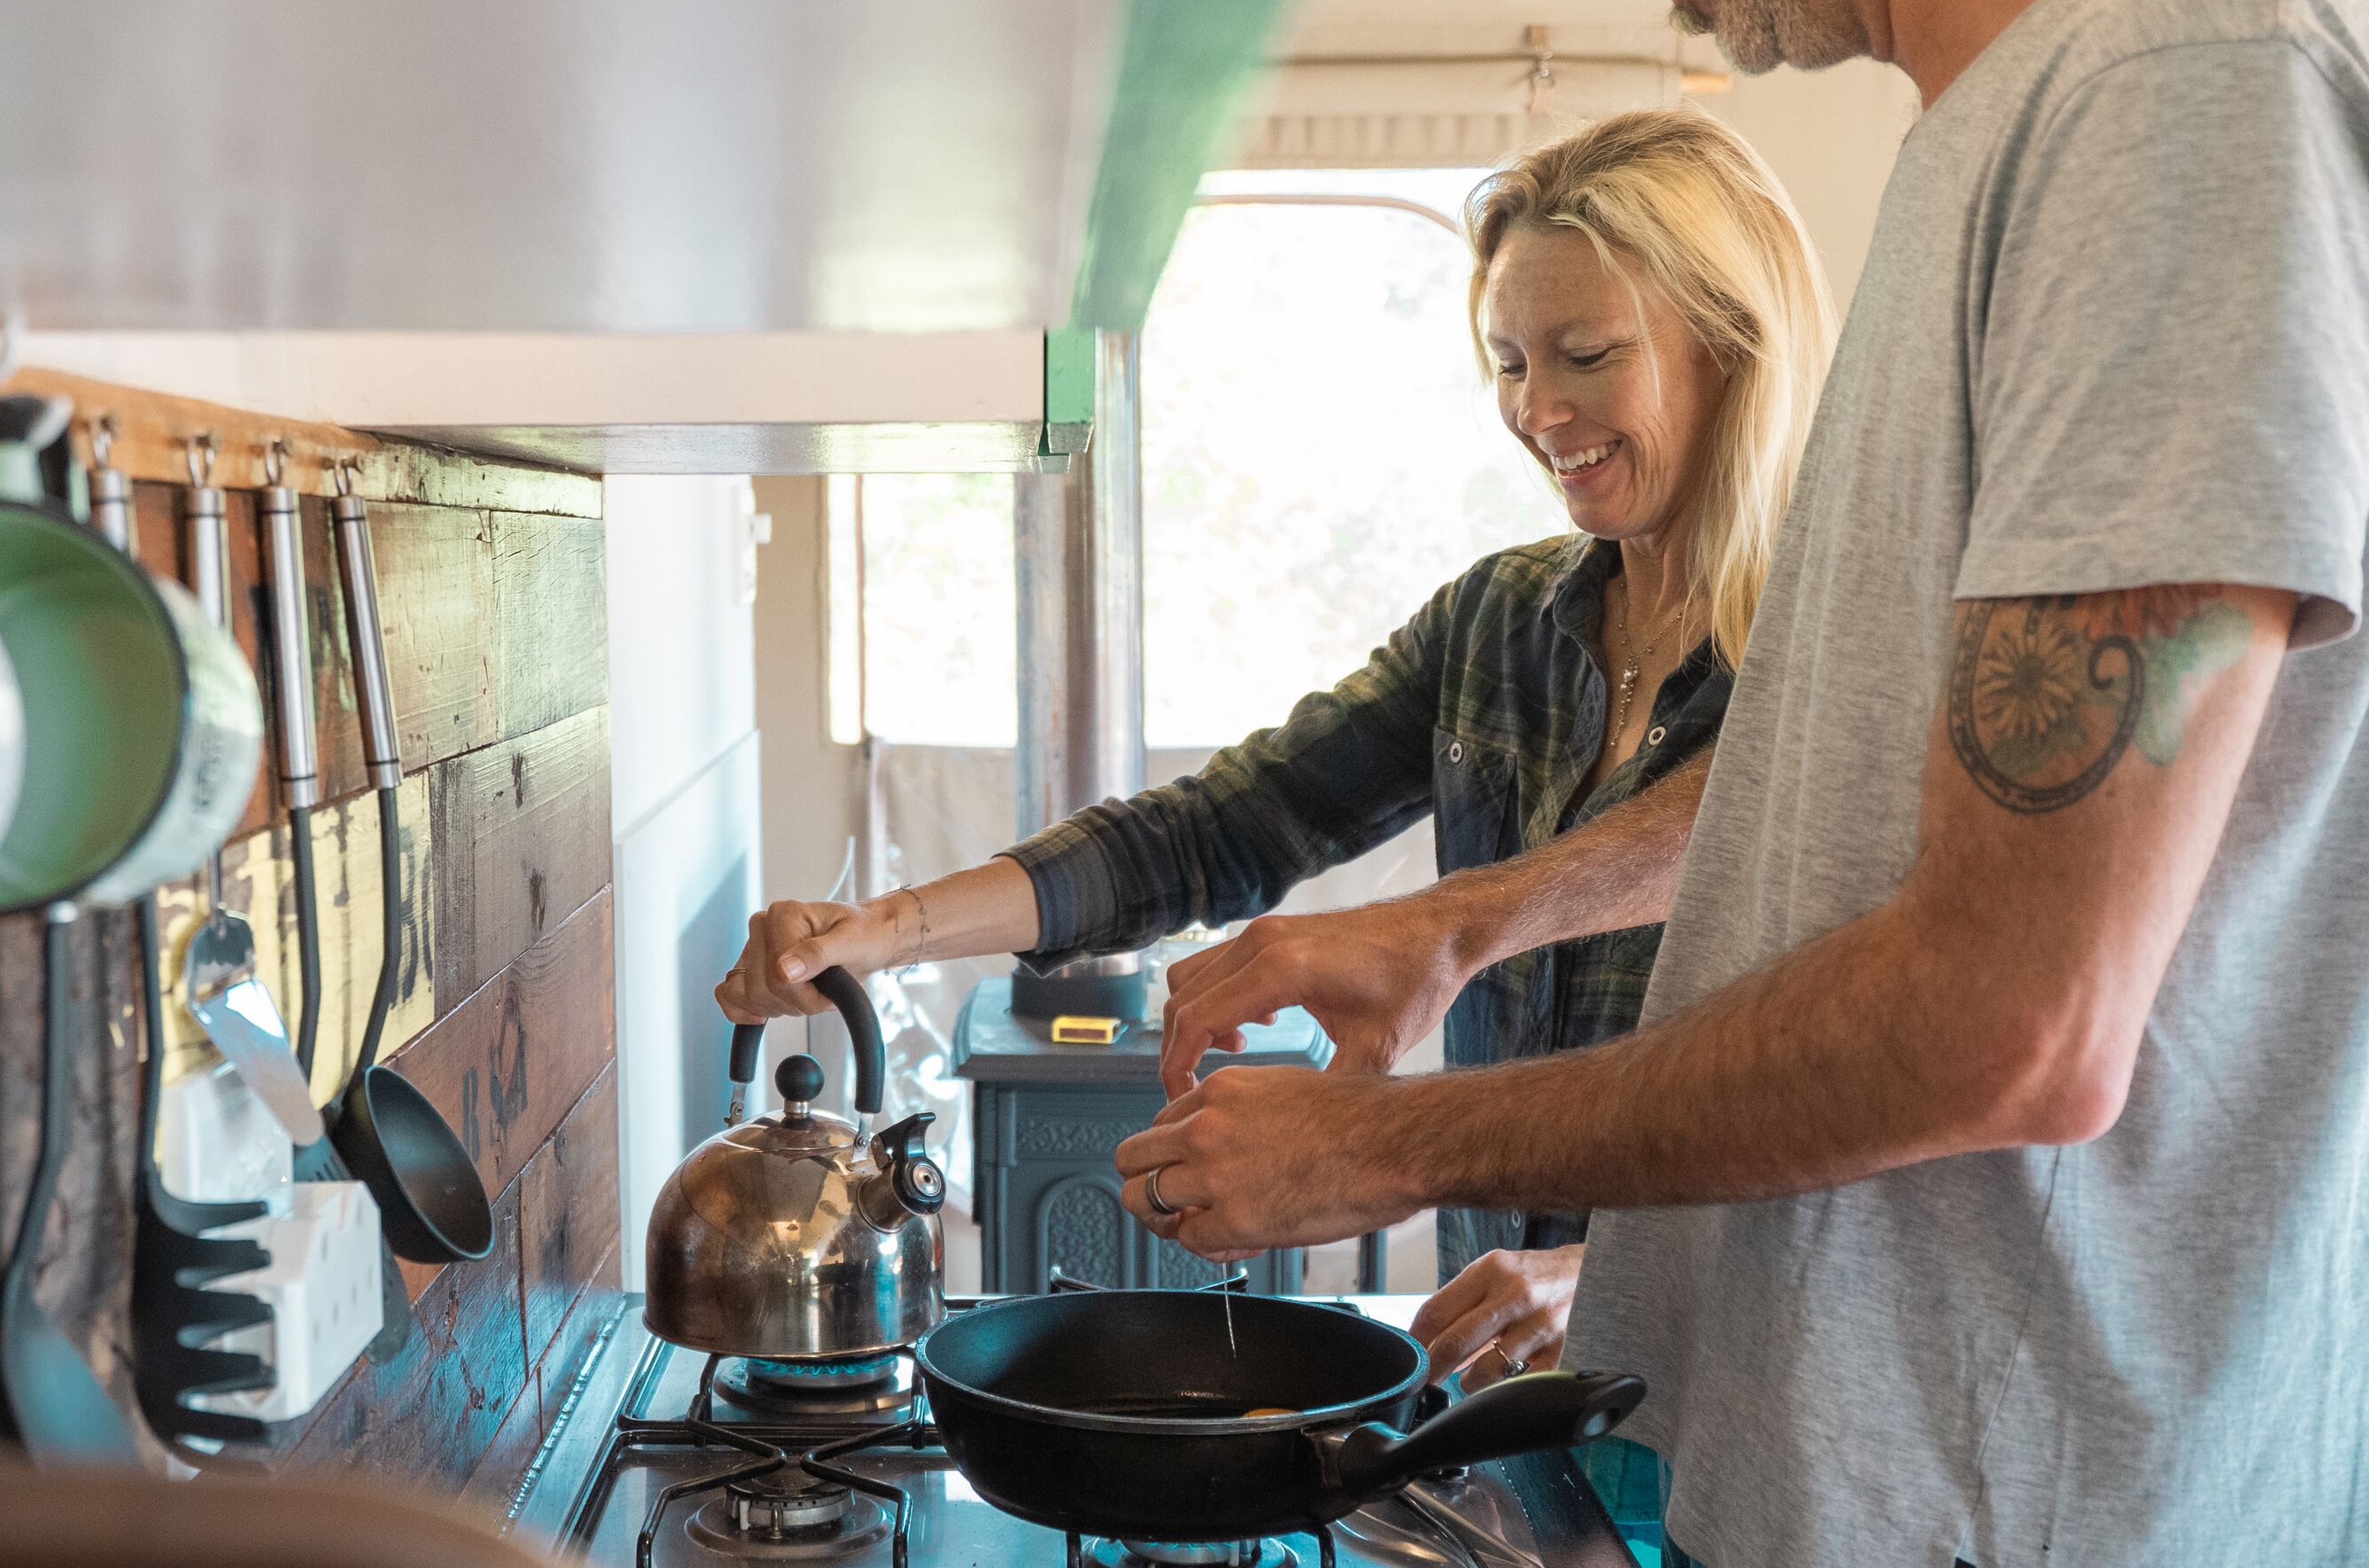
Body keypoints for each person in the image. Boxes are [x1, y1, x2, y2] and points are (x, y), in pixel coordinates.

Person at [1115, 0, 2369, 1568]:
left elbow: (2013, 1017)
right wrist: (1477, 912)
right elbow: (1890, 796)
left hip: (1956, 1563)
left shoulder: (2194, 78)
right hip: (1844, 1511)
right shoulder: (2021, 107)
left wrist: (1386, 1138)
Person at [714, 108, 1833, 1303]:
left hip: (1726, 1390)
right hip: (1497, 1379)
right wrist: (889, 930)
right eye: (1510, 362)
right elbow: (1221, 828)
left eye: (1587, 355)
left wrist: (1587, 1274)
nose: (1537, 411)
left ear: (1730, 342)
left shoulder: (1847, 646)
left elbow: (1854, 1091)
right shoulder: (1498, 624)